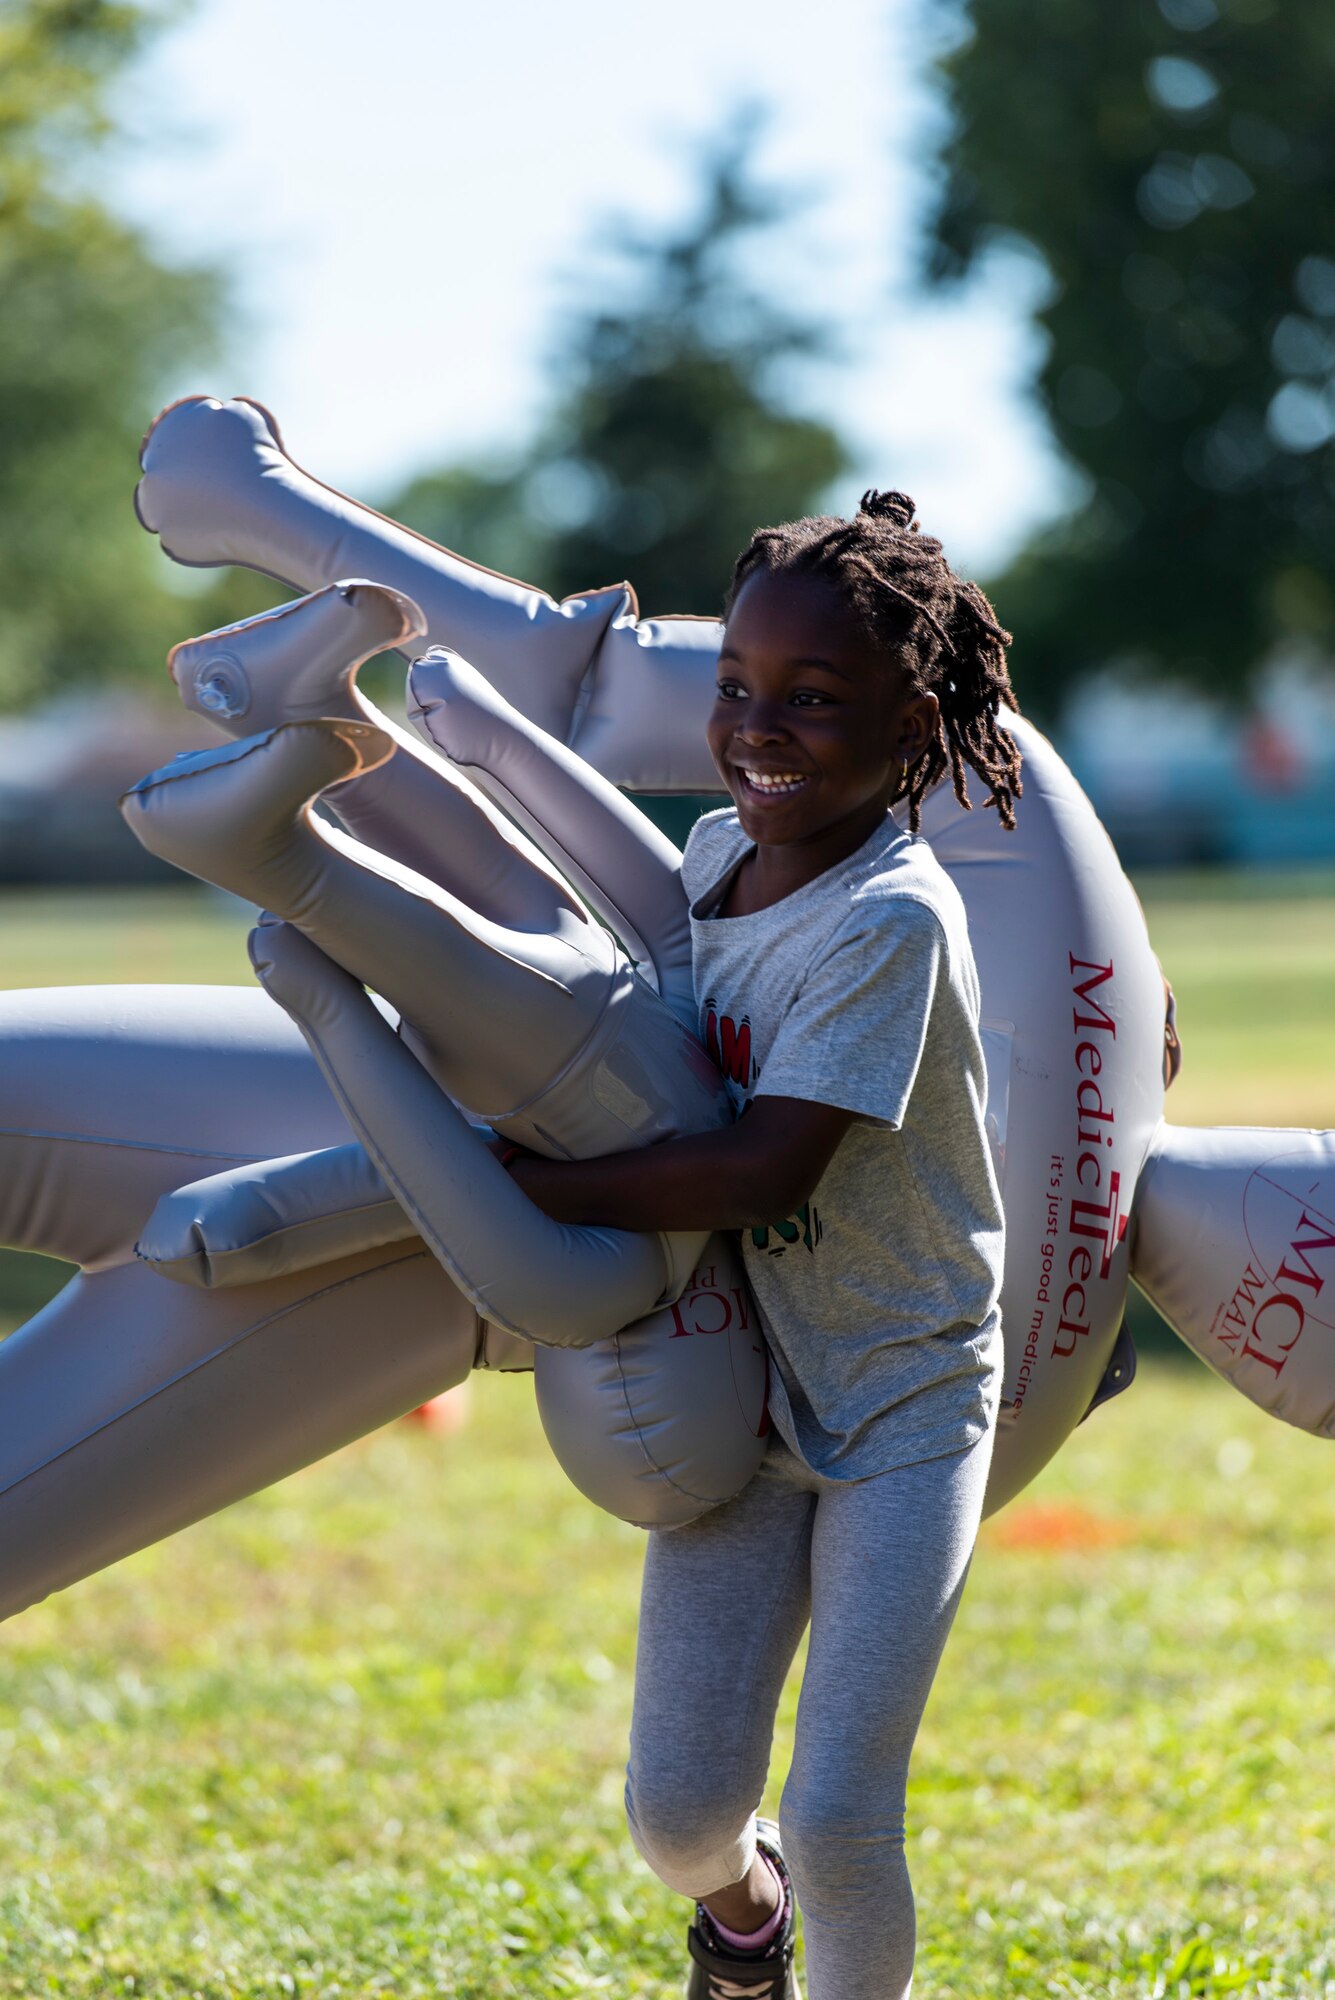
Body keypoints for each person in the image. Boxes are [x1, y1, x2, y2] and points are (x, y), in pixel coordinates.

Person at [502, 490, 1020, 2000]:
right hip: (745, 1401)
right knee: (677, 1819)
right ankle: (744, 1924)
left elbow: (763, 1162)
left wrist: (522, 1189)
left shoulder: (893, 920)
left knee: (847, 1812)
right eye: (736, 688)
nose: (759, 728)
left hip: (904, 1401)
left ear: (913, 720)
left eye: (814, 698)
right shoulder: (715, 855)